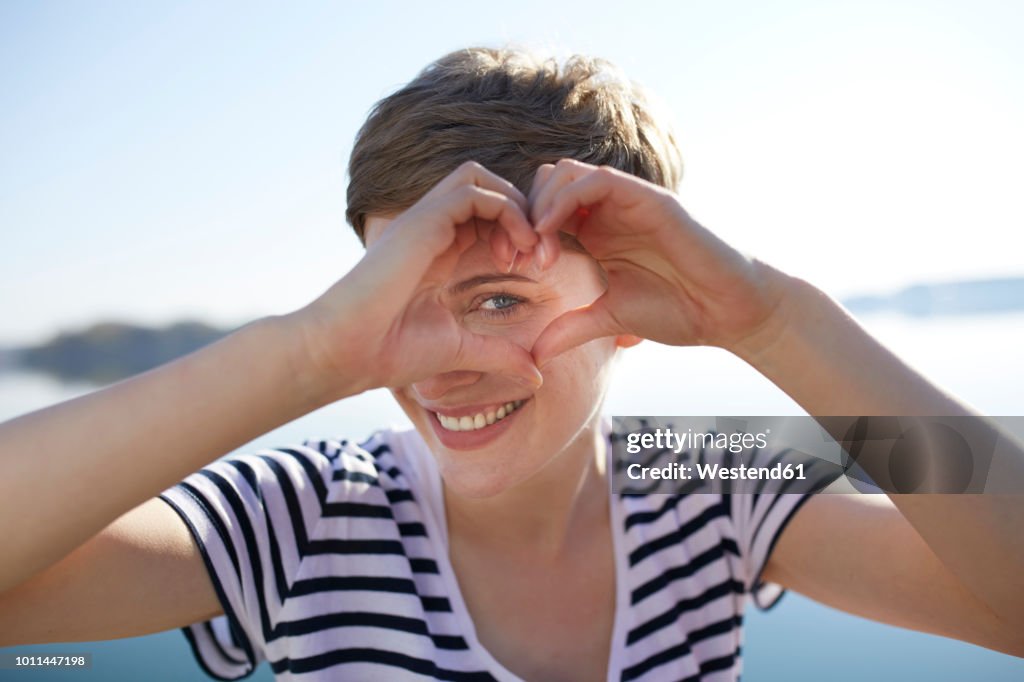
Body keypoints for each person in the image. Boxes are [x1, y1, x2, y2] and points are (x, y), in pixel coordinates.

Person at [0, 46, 1021, 682]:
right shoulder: (302, 512)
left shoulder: (708, 475)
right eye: (393, 300)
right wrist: (306, 355)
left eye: (500, 300)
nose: (441, 367)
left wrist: (771, 320)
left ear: (627, 307)